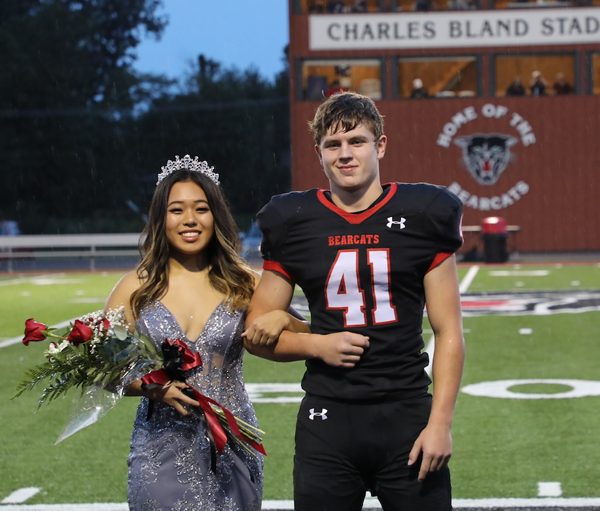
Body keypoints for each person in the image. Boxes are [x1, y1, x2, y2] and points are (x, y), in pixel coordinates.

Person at [244, 93, 465, 511]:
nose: (345, 154)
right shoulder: (292, 220)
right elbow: (255, 334)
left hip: (406, 412)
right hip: (329, 416)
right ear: (319, 153)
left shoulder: (423, 213)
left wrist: (440, 423)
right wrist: (316, 344)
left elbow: (448, 328)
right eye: (333, 145)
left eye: (357, 142)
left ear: (380, 146)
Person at [105, 155, 309, 511]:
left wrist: (284, 321)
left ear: (216, 215)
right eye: (176, 210)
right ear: (160, 218)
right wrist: (153, 387)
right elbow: (104, 369)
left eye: (201, 208)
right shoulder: (133, 288)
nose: (190, 220)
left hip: (234, 443)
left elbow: (308, 336)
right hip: (160, 447)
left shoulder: (246, 282)